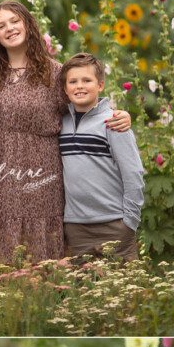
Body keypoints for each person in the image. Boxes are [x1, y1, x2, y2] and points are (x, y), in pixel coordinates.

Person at [0, 1, 132, 263]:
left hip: (42, 173)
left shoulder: (54, 73)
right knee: (2, 247)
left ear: (28, 24)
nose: (10, 28)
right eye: (1, 26)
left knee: (43, 251)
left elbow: (84, 104)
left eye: (15, 21)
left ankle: (46, 297)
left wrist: (120, 115)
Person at [59, 52, 144, 261]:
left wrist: (129, 221)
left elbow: (133, 173)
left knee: (122, 290)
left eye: (87, 80)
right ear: (65, 88)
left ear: (100, 85)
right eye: (73, 81)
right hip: (76, 226)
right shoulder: (61, 124)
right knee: (85, 290)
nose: (79, 86)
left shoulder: (113, 123)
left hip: (114, 224)